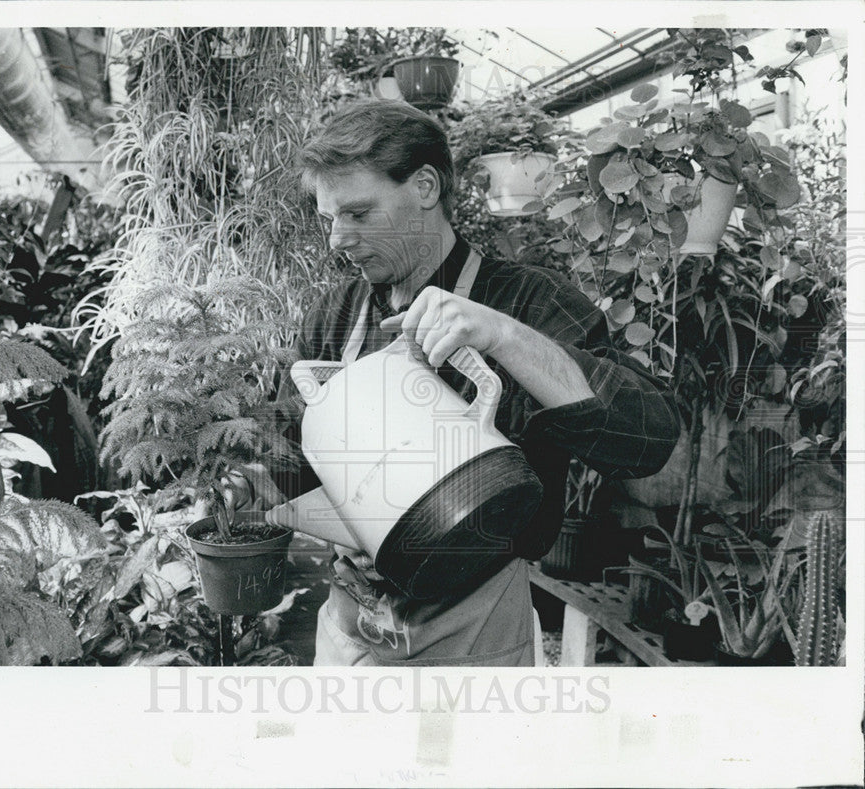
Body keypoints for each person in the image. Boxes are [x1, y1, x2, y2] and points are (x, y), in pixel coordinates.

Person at [231, 99, 680, 666]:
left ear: (424, 187)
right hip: (352, 622)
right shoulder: (336, 316)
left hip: (476, 630)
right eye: (329, 220)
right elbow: (287, 461)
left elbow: (648, 440)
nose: (336, 241)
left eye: (359, 214)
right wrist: (241, 483)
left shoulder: (527, 303)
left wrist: (505, 338)